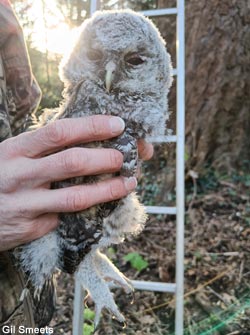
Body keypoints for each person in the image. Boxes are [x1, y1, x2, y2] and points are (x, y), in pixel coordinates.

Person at [0, 0, 153, 329]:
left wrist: (62, 158)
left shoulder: (3, 12)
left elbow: (18, 118)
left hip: (25, 309)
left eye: (134, 60)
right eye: (97, 58)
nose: (110, 72)